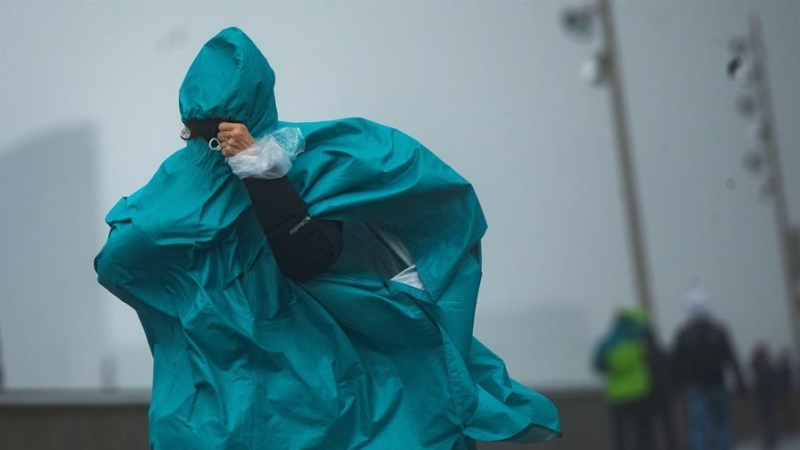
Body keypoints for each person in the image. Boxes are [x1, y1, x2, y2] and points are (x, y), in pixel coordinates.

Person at [94, 27, 559, 449]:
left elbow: (117, 265)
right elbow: (313, 255)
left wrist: (261, 179)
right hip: (303, 407)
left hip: (214, 418)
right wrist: (263, 178)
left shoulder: (180, 196)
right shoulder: (296, 169)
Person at [673, 288, 745, 450]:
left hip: (695, 386)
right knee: (722, 423)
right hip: (717, 383)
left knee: (698, 426)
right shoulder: (718, 331)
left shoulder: (685, 334)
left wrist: (676, 386)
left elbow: (676, 363)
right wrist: (740, 382)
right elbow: (731, 357)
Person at [593, 305, 653, 450]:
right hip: (639, 390)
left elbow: (598, 364)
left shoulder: (607, 343)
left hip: (617, 394)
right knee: (642, 432)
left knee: (620, 434)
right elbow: (647, 322)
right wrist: (630, 313)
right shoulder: (638, 339)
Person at [751, 343, 779, 449]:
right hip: (768, 395)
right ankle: (770, 437)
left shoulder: (759, 366)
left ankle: (769, 437)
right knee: (770, 416)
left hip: (763, 395)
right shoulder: (767, 365)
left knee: (766, 417)